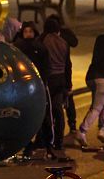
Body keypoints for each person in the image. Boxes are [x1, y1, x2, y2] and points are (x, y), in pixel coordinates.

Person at [13, 22, 54, 159]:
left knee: (43, 115)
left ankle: (46, 143)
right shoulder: (18, 47)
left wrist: (43, 81)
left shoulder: (40, 47)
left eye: (30, 31)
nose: (28, 34)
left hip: (38, 85)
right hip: (22, 87)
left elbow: (46, 66)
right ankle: (28, 144)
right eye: (26, 31)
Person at [40, 18, 70, 150]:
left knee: (47, 111)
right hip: (61, 79)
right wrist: (68, 85)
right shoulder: (64, 43)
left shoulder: (44, 41)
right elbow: (68, 65)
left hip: (49, 79)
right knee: (58, 110)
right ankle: (59, 141)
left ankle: (47, 140)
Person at [46, 14, 78, 133]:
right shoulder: (58, 38)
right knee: (67, 97)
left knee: (61, 100)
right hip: (63, 72)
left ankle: (67, 124)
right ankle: (71, 124)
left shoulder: (51, 38)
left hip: (56, 73)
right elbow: (74, 42)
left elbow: (74, 42)